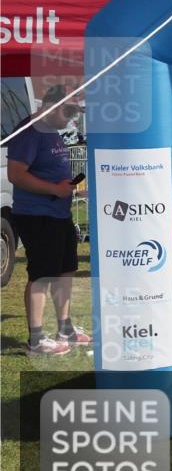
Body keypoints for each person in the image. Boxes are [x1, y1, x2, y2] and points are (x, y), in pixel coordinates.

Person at [6, 86, 90, 355]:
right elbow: (16, 174)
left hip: (58, 213)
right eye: (68, 111)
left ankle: (64, 328)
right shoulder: (30, 131)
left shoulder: (50, 130)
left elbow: (48, 170)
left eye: (74, 112)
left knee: (66, 270)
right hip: (37, 215)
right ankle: (36, 340)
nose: (71, 119)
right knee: (42, 274)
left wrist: (71, 189)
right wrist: (55, 189)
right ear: (51, 106)